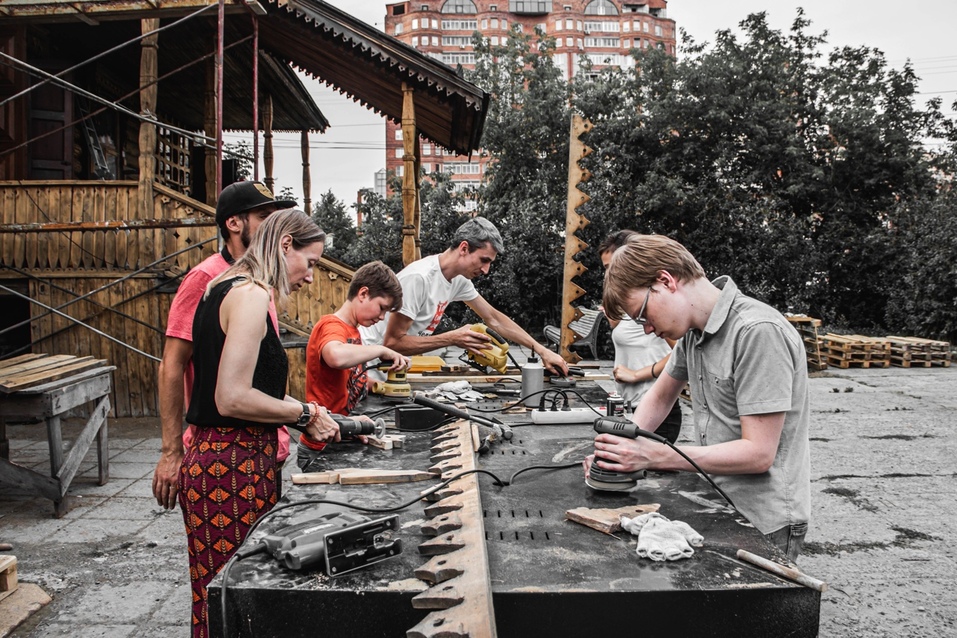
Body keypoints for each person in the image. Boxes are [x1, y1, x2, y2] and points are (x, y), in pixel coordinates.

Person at [585, 234, 810, 562]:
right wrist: (618, 453)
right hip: (720, 501)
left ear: (665, 281)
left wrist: (655, 456)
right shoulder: (694, 333)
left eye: (644, 315)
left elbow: (759, 453)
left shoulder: (757, 332)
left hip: (765, 519)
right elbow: (659, 398)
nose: (647, 329)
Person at [179, 209, 339, 637]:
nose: (311, 277)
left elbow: (253, 390)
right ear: (286, 244)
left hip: (234, 461)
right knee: (235, 601)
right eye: (312, 262)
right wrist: (302, 414)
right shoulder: (249, 295)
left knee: (225, 597)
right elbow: (231, 397)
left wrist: (309, 413)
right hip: (227, 468)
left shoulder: (226, 286)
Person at [152, 181, 295, 510]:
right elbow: (172, 365)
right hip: (224, 448)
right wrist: (171, 452)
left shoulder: (259, 279)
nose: (272, 228)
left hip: (265, 445)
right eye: (263, 217)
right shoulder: (206, 279)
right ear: (234, 223)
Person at [360, 217, 568, 376]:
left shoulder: (457, 279)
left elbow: (493, 318)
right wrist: (452, 338)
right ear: (464, 248)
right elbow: (392, 343)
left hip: (389, 367)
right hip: (366, 366)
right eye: (484, 260)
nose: (486, 270)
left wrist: (542, 351)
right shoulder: (419, 278)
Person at [298, 260, 411, 472]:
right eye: (382, 308)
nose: (382, 317)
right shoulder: (331, 326)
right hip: (320, 445)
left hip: (342, 432)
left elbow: (350, 378)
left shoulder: (353, 331)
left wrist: (382, 386)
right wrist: (380, 350)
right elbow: (335, 356)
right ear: (363, 294)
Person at [598, 230, 681, 444]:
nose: (608, 275)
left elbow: (682, 352)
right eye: (605, 269)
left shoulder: (654, 307)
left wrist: (636, 375)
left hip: (658, 410)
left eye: (610, 267)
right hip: (631, 407)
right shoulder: (632, 308)